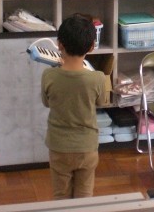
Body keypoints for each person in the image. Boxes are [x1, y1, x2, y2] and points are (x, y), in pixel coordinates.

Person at [41, 14, 108, 199]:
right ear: (92, 46)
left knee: (61, 196)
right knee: (85, 196)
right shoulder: (98, 78)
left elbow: (46, 102)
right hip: (86, 146)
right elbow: (101, 102)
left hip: (58, 145)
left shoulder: (48, 75)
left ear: (59, 44)